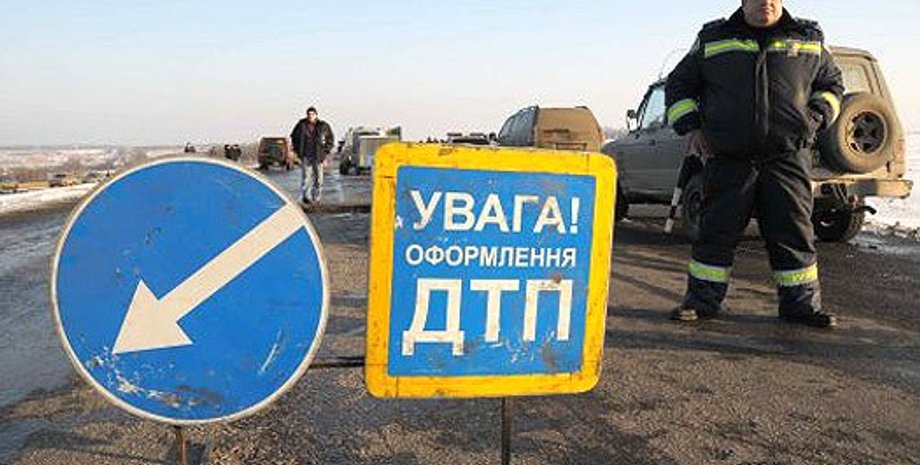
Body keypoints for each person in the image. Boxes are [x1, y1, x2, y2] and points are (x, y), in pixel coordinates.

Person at [665, 0, 844, 327]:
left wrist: (816, 117)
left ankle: (801, 307)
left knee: (794, 232)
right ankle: (701, 303)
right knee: (716, 232)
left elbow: (832, 85)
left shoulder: (809, 37)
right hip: (730, 158)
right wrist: (691, 126)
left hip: (788, 157)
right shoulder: (713, 38)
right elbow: (678, 85)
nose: (767, 2)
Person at [290, 106, 334, 203]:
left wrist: (325, 152)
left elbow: (330, 139)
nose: (310, 116)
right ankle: (306, 197)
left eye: (312, 114)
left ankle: (316, 197)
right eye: (309, 114)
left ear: (316, 115)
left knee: (319, 179)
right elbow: (293, 136)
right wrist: (297, 150)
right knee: (306, 178)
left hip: (318, 156)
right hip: (306, 155)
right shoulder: (301, 125)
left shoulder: (323, 126)